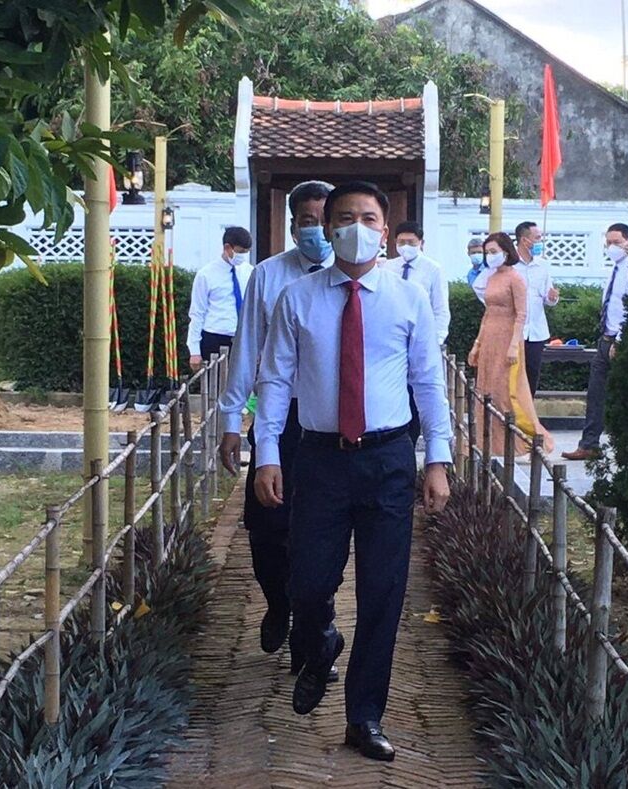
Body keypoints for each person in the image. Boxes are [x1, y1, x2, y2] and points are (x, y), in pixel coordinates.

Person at [253, 181, 452, 761]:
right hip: (318, 458)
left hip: (388, 458)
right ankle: (319, 640)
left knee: (382, 592)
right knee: (308, 582)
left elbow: (428, 382)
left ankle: (364, 717)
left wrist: (437, 458)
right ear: (327, 227)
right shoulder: (298, 299)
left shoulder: (408, 300)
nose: (356, 228)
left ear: (385, 231)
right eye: (344, 218)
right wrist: (267, 453)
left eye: (368, 218)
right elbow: (275, 379)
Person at [217, 181, 336, 675]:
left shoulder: (353, 275)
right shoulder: (268, 276)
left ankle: (314, 635)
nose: (317, 230)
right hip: (277, 420)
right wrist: (231, 419)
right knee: (267, 528)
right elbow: (247, 348)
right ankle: (278, 603)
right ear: (293, 225)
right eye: (307, 221)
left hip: (330, 423)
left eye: (324, 221)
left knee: (324, 534)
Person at [467, 232, 553, 457]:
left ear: (506, 252)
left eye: (493, 251)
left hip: (508, 339)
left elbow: (521, 314)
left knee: (505, 391)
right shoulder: (491, 277)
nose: (489, 256)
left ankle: (516, 441)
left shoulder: (516, 278)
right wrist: (477, 344)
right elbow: (487, 313)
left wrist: (515, 344)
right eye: (487, 252)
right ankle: (487, 441)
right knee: (486, 388)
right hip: (489, 338)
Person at [562, 223, 628, 461]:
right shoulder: (616, 269)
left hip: (621, 340)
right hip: (605, 338)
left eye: (616, 242)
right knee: (595, 393)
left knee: (624, 395)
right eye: (608, 242)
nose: (611, 247)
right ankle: (589, 444)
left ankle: (627, 447)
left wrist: (620, 340)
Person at [381, 220, 450, 443]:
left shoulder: (433, 269)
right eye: (401, 242)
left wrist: (436, 342)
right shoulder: (387, 268)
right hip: (392, 341)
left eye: (411, 242)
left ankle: (417, 435)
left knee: (419, 392)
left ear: (421, 243)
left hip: (421, 341)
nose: (406, 247)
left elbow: (440, 309)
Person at [186, 226, 253, 370]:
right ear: (227, 248)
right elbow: (197, 313)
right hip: (215, 337)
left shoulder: (249, 272)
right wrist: (194, 351)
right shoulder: (206, 275)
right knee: (215, 381)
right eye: (240, 252)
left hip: (243, 338)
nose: (243, 256)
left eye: (246, 252)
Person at [513, 221, 559, 396]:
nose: (540, 242)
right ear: (524, 240)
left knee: (532, 373)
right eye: (537, 238)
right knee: (513, 374)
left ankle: (528, 409)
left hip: (536, 330)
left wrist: (552, 298)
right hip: (514, 330)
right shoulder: (509, 264)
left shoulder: (543, 265)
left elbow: (548, 297)